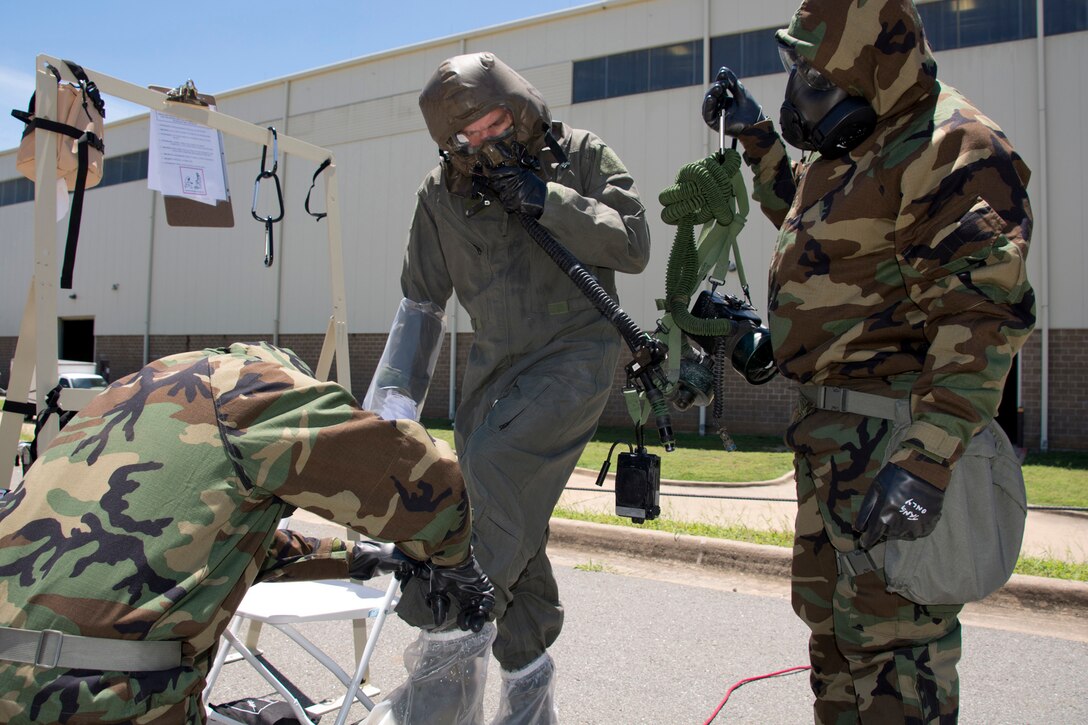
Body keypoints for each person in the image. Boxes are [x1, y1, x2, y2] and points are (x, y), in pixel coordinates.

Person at [697, 1, 1035, 722]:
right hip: (831, 446)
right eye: (798, 72)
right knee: (837, 652)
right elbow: (822, 238)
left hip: (894, 448)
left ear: (876, 69)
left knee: (897, 661)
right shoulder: (855, 149)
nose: (801, 92)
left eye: (816, 76)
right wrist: (758, 138)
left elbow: (981, 315)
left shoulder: (951, 145)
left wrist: (927, 458)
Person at [365, 52, 650, 725]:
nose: (482, 143)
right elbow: (421, 303)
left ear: (517, 105)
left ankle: (438, 667)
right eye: (463, 139)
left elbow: (633, 243)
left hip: (573, 358)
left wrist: (550, 200)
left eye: (492, 123)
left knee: (491, 478)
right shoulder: (441, 195)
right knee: (510, 524)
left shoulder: (579, 154)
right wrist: (393, 403)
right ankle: (529, 694)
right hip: (494, 377)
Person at [0, 341, 494, 724]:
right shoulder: (257, 391)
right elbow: (428, 484)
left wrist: (363, 557)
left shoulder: (130, 391)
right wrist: (457, 566)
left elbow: (221, 546)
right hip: (98, 693)